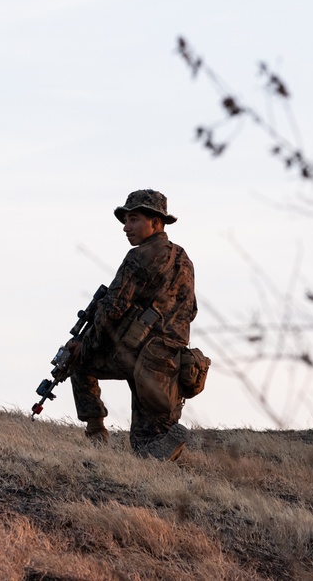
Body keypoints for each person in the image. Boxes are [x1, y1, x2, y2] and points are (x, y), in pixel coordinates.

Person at [66, 189, 197, 461]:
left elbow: (111, 308)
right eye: (125, 221)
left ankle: (96, 434)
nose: (126, 228)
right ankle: (167, 439)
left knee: (77, 361)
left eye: (134, 219)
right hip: (171, 364)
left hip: (137, 356)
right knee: (144, 444)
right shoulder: (183, 259)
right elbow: (191, 310)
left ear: (156, 222)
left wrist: (84, 346)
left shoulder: (139, 257)